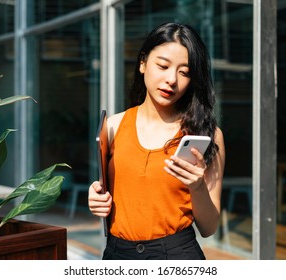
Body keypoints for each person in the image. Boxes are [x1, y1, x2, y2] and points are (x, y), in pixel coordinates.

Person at [88, 22, 225, 260]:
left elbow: (209, 227)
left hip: (177, 255)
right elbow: (115, 192)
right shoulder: (113, 126)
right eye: (163, 65)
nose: (171, 79)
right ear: (143, 63)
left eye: (185, 72)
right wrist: (97, 197)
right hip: (117, 254)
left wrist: (197, 186)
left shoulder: (206, 134)